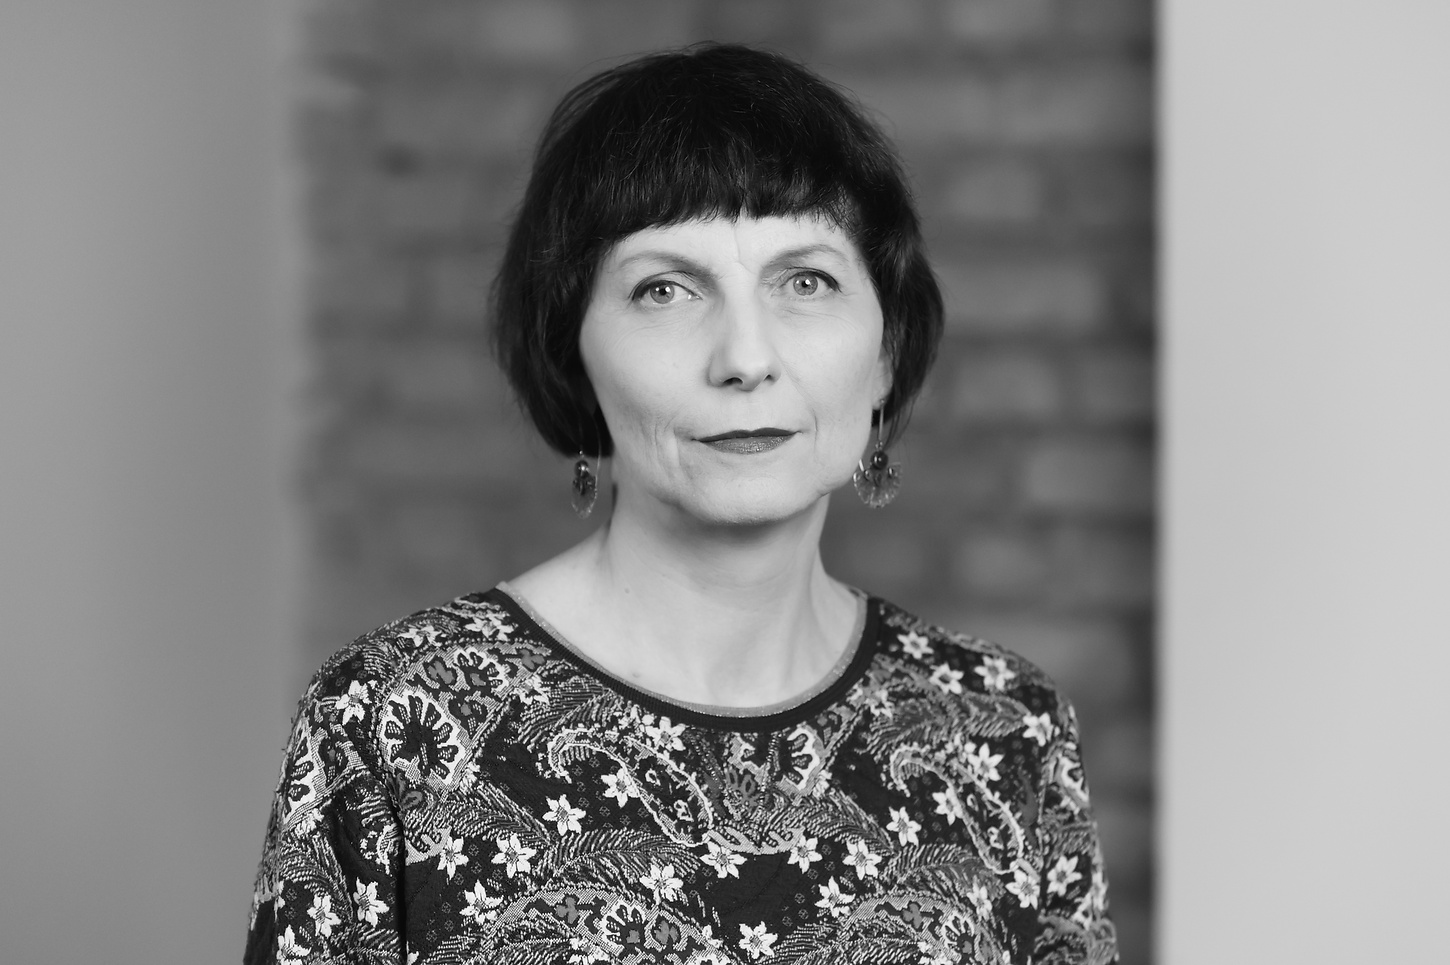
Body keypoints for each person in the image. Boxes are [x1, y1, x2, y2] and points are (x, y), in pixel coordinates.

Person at [246, 43, 1117, 965]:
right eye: (664, 289)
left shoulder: (1006, 733)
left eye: (806, 281)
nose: (745, 358)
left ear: (886, 355)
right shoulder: (390, 722)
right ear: (574, 353)